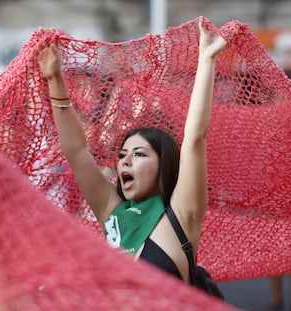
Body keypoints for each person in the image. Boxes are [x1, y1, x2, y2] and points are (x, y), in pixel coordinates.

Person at [37, 16, 227, 284]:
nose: (125, 161)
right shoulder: (112, 212)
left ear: (164, 165)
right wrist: (55, 78)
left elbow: (195, 138)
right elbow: (77, 151)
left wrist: (206, 60)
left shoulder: (182, 213)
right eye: (123, 155)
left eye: (139, 154)